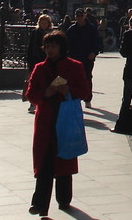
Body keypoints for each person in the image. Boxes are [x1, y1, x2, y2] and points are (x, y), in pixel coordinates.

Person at [24, 29, 91, 215]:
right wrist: (44, 94)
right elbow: (30, 94)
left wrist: (68, 90)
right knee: (45, 161)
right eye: (47, 46)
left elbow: (85, 92)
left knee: (64, 158)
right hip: (46, 119)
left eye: (53, 46)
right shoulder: (39, 68)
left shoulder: (75, 66)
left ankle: (64, 198)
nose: (49, 50)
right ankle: (39, 204)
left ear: (61, 47)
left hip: (65, 118)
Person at [66, 9, 101, 107]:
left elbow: (97, 41)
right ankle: (75, 98)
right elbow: (66, 42)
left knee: (87, 77)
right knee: (73, 78)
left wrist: (94, 52)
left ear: (85, 16)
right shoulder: (71, 29)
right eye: (77, 15)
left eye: (81, 15)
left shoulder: (91, 28)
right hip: (74, 57)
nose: (79, 17)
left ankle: (87, 98)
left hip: (87, 57)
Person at [25, 14, 55, 113]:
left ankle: (43, 102)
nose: (43, 25)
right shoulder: (36, 32)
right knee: (35, 82)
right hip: (36, 60)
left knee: (46, 82)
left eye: (45, 23)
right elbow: (31, 47)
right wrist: (29, 60)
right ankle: (33, 103)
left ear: (49, 24)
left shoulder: (51, 34)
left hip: (48, 60)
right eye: (42, 23)